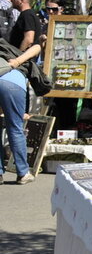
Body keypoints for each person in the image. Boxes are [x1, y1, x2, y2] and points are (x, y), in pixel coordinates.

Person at [0, 42, 41, 185]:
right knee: (15, 128)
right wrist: (17, 62)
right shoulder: (17, 53)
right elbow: (37, 47)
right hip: (13, 84)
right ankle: (23, 173)